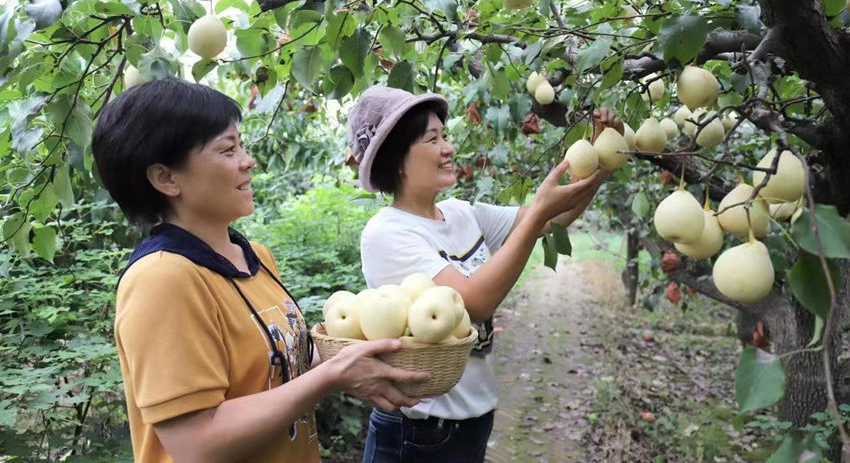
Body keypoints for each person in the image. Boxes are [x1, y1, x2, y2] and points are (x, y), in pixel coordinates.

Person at [92, 78, 429, 463]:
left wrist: (351, 358)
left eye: (242, 145)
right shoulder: (162, 279)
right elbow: (196, 442)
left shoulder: (255, 256)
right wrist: (331, 376)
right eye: (227, 149)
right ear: (166, 179)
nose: (247, 160)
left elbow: (281, 374)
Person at [347, 86, 622, 463]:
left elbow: (551, 218)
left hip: (472, 422)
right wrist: (540, 210)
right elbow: (472, 302)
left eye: (446, 135)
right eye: (432, 139)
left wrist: (600, 157)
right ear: (397, 158)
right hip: (419, 433)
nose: (448, 148)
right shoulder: (387, 233)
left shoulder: (462, 213)